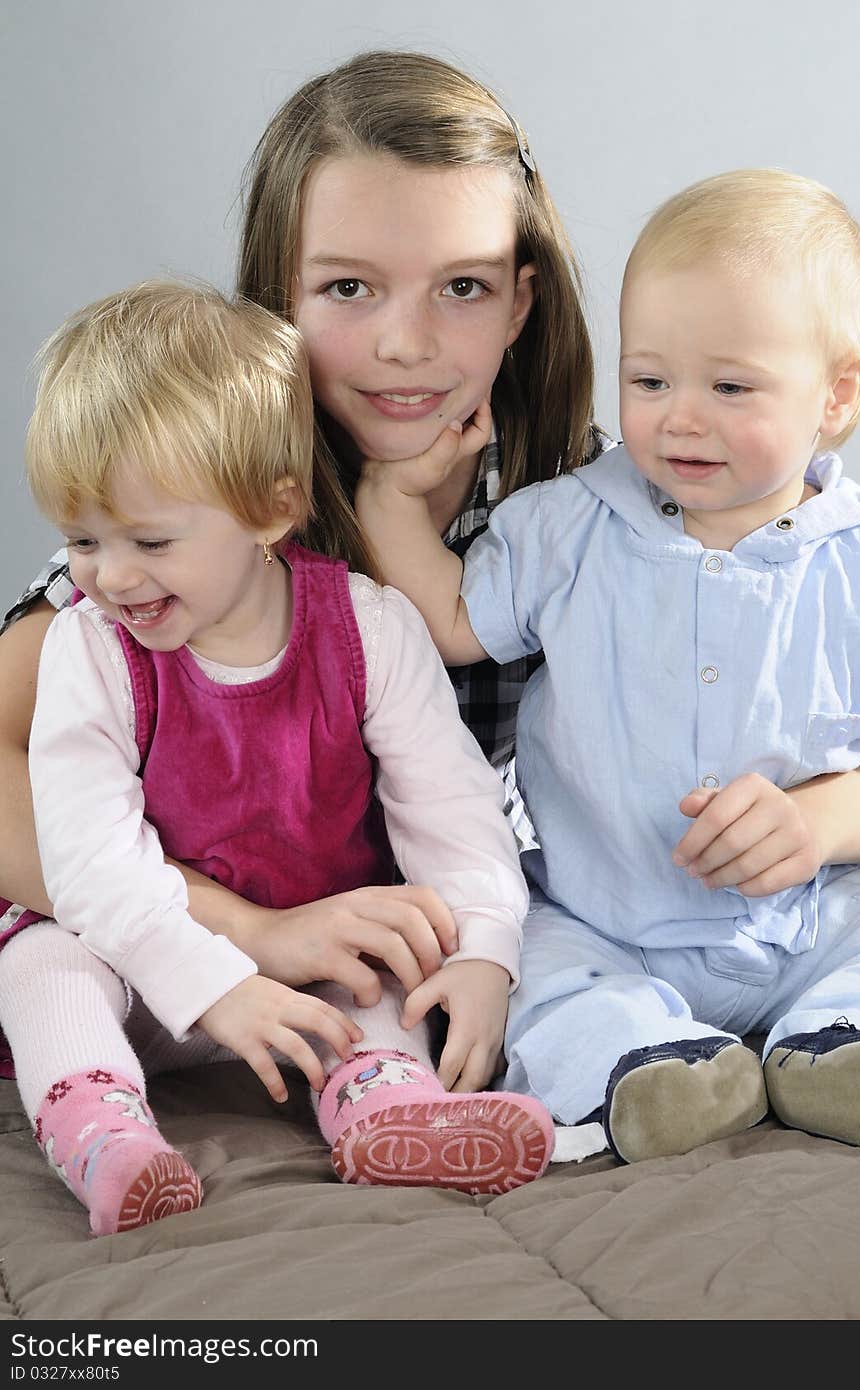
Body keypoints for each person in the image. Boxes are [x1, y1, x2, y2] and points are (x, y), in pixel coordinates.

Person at [0, 52, 860, 1136]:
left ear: (519, 302)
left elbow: (821, 686)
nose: (403, 342)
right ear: (278, 295)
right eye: (347, 287)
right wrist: (250, 929)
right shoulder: (199, 506)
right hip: (189, 949)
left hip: (414, 965)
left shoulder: (611, 504)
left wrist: (827, 813)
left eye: (460, 286)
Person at [0, 281, 553, 1236]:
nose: (110, 576)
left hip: (312, 953)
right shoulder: (89, 649)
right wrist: (217, 982)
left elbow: (454, 812)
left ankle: (388, 1109)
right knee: (44, 958)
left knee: (384, 954)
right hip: (137, 956)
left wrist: (486, 954)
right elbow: (90, 869)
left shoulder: (368, 631)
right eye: (81, 541)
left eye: (152, 540)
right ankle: (104, 1134)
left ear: (271, 508)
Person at [355, 167, 860, 1163]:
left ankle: (843, 1040)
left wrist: (821, 820)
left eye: (729, 387)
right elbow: (457, 622)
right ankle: (649, 1060)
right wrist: (392, 502)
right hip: (607, 913)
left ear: (837, 393)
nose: (680, 418)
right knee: (534, 968)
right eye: (649, 381)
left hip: (813, 914)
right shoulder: (569, 524)